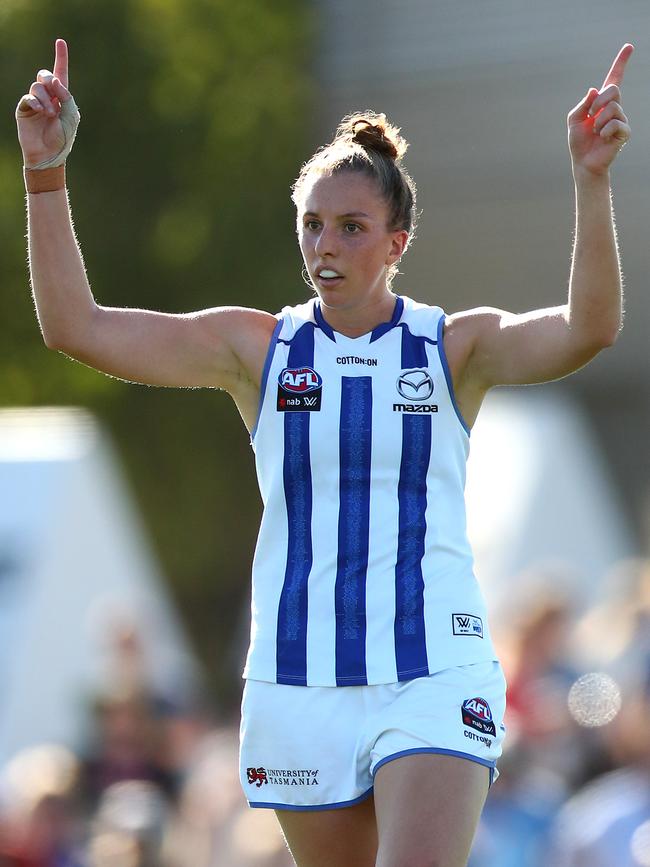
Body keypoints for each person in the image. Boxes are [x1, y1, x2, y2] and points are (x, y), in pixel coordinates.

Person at [15, 38, 633, 867]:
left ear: (397, 242)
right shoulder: (256, 348)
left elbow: (587, 329)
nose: (326, 246)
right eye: (312, 225)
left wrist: (591, 182)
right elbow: (75, 328)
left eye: (351, 227)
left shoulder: (453, 348)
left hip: (433, 669)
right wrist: (45, 175)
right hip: (297, 681)